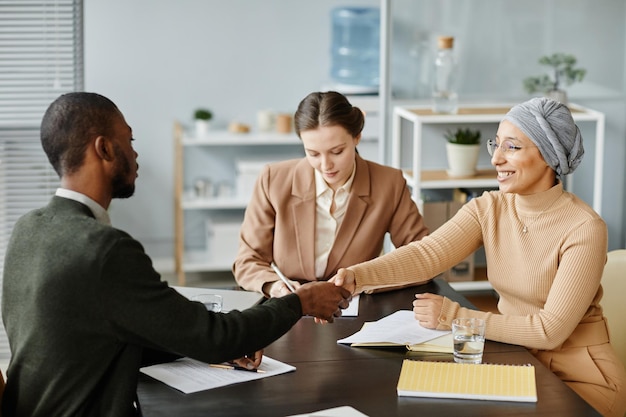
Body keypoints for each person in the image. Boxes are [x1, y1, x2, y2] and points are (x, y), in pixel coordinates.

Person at [0, 92, 351, 417]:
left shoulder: (29, 228)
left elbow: (99, 337)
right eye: (130, 140)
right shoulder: (105, 251)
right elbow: (216, 337)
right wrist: (300, 302)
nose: (136, 153)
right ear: (105, 149)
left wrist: (194, 342)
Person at [332, 97, 626, 417]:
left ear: (548, 156)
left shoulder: (585, 227)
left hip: (580, 377)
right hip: (519, 360)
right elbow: (429, 253)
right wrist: (356, 276)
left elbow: (550, 331)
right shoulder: (489, 207)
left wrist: (457, 317)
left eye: (512, 147)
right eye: (495, 144)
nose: (496, 158)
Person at [233, 91, 428, 297]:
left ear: (357, 138)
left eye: (337, 151)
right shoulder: (273, 179)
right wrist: (275, 287)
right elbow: (248, 260)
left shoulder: (389, 183)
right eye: (313, 154)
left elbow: (424, 257)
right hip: (288, 305)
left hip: (358, 305)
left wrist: (364, 279)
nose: (326, 166)